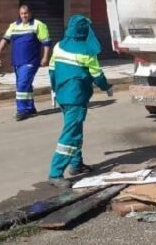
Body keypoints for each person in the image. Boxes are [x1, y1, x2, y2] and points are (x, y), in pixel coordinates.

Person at [47, 15, 113, 188]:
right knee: (70, 134)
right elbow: (97, 76)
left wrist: (54, 89)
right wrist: (107, 87)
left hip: (62, 95)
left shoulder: (58, 46)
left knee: (75, 129)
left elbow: (52, 70)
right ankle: (55, 173)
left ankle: (76, 165)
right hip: (76, 97)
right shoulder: (87, 51)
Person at [0, 5, 51, 121]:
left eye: (26, 13)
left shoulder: (38, 25)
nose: (24, 15)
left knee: (22, 85)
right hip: (17, 62)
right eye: (22, 13)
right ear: (19, 14)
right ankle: (30, 108)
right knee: (26, 85)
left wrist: (45, 57)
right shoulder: (14, 25)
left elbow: (46, 42)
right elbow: (5, 38)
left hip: (30, 62)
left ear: (30, 13)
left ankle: (22, 111)